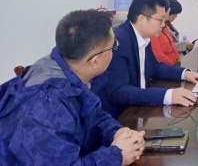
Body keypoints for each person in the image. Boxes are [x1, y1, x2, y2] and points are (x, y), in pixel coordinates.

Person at [0, 10, 145, 166]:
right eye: (113, 46)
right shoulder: (48, 105)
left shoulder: (66, 65)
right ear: (94, 61)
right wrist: (116, 156)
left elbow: (91, 114)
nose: (115, 49)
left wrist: (116, 132)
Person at [95, 0, 198, 118]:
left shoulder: (144, 36)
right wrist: (168, 95)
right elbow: (119, 92)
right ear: (142, 19)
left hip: (138, 108)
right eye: (160, 20)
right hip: (117, 116)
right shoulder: (118, 42)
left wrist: (185, 74)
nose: (163, 25)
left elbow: (154, 67)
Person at [150, 0, 182, 65]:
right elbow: (158, 54)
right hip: (165, 66)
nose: (176, 16)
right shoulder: (153, 30)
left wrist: (178, 62)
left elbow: (173, 47)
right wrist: (172, 66)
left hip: (173, 64)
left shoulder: (165, 27)